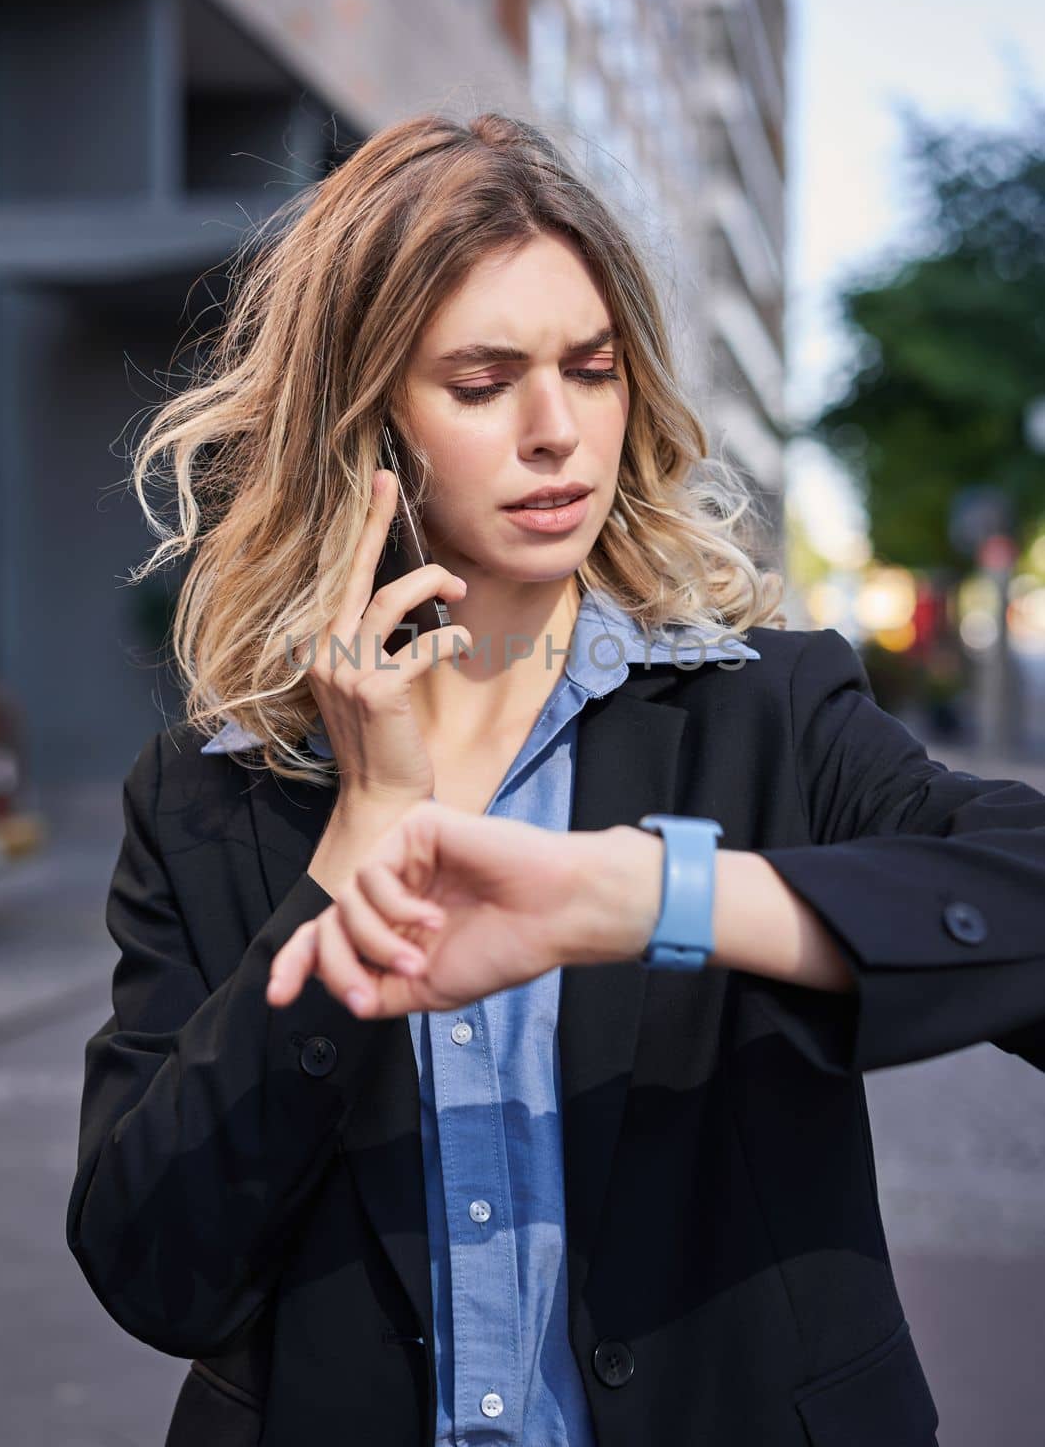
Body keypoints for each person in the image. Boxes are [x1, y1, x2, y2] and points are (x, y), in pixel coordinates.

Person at [66, 110, 1045, 1447]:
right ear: (365, 427)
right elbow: (152, 1264)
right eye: (479, 382)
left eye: (589, 369)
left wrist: (651, 895)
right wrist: (362, 832)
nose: (554, 431)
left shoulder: (763, 711)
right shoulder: (203, 796)